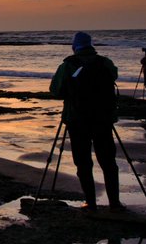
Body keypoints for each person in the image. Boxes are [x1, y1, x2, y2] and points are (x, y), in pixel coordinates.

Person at [49, 31, 122, 210]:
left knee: (82, 161)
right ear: (90, 45)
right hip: (103, 118)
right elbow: (114, 76)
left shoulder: (68, 65)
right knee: (108, 161)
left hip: (77, 119)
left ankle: (90, 201)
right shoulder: (105, 63)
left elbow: (55, 91)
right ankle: (114, 203)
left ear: (75, 46)